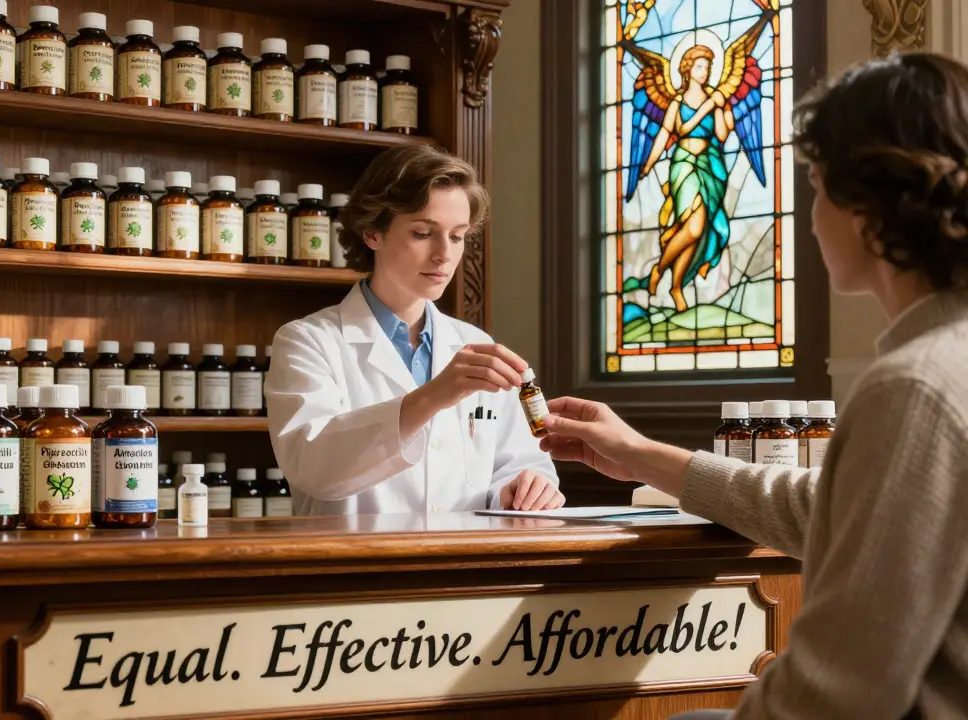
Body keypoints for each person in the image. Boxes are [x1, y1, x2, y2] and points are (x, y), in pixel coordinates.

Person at [541, 53, 968, 719]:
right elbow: (825, 509)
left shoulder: (914, 389)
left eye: (818, 186)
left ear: (869, 211)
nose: (811, 212)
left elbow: (837, 692)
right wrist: (635, 452)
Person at [266, 144, 562, 516]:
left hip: (464, 565)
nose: (444, 254)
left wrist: (522, 487)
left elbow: (517, 462)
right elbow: (313, 468)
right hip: (357, 566)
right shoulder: (308, 342)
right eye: (423, 233)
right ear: (372, 233)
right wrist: (434, 396)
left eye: (457, 236)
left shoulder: (477, 344)